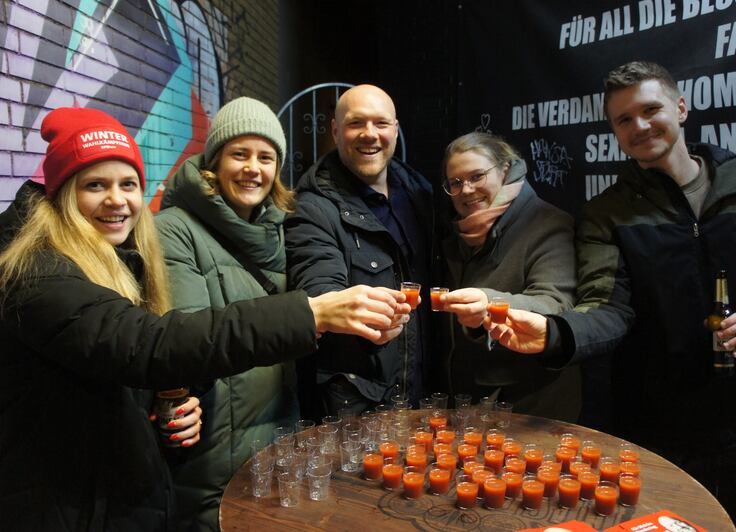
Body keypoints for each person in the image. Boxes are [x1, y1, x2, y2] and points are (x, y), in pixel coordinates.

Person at [0, 107, 408, 530]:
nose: (117, 200)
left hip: (130, 486)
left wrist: (161, 407)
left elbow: (119, 368)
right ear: (63, 193)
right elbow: (155, 344)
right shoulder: (37, 271)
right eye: (95, 185)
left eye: (129, 184)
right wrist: (311, 312)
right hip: (67, 500)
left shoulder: (118, 257)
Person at [485, 61, 736, 532]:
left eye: (650, 110)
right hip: (660, 434)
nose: (640, 126)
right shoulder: (606, 212)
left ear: (681, 107)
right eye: (623, 120)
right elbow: (609, 308)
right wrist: (555, 333)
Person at [154, 97, 301, 530]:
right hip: (213, 458)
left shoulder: (279, 231)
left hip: (277, 440)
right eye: (239, 154)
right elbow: (188, 341)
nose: (253, 168)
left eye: (266, 157)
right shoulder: (175, 229)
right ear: (214, 161)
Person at [285, 84, 434, 417]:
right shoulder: (311, 208)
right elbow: (320, 294)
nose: (370, 134)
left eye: (381, 123)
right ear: (336, 131)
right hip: (358, 412)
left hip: (426, 402)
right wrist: (366, 319)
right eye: (356, 123)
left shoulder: (421, 196)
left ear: (395, 130)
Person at [436, 132, 578, 418]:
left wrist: (488, 302)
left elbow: (556, 303)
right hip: (472, 403)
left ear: (505, 170)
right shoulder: (455, 234)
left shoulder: (548, 223)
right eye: (456, 182)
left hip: (532, 403)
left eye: (477, 176)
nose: (466, 190)